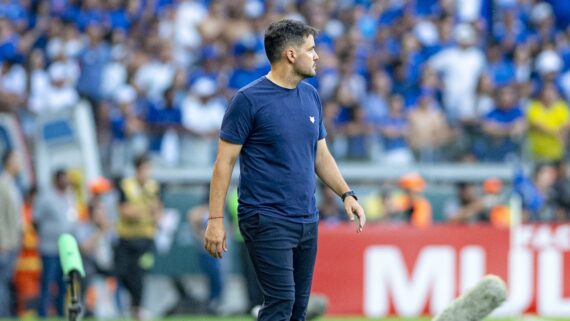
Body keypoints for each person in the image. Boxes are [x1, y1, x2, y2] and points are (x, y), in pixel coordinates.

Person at [204, 19, 366, 321]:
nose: (317, 56)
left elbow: (321, 155)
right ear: (291, 54)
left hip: (306, 217)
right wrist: (215, 220)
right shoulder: (248, 100)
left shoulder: (311, 96)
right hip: (265, 217)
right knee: (281, 303)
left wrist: (346, 193)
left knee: (296, 311)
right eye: (311, 49)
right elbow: (223, 163)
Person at [114, 155, 161, 320]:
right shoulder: (127, 186)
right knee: (122, 272)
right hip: (126, 238)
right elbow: (125, 212)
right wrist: (147, 210)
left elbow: (158, 213)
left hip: (146, 239)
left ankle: (137, 308)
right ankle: (135, 306)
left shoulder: (153, 186)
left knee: (139, 273)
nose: (147, 172)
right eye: (145, 168)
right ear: (137, 169)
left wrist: (140, 211)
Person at [34, 169, 78, 317]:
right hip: (49, 247)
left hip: (65, 249)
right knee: (47, 282)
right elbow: (36, 220)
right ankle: (43, 314)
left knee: (64, 284)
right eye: (63, 178)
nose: (66, 181)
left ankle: (60, 314)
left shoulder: (69, 196)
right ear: (56, 180)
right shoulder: (46, 197)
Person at [0, 149, 23, 317]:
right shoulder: (2, 184)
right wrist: (2, 241)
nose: (20, 162)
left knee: (7, 281)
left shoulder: (14, 184)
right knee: (2, 281)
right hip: (6, 242)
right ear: (8, 162)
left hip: (14, 241)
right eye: (17, 159)